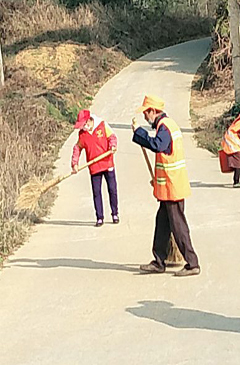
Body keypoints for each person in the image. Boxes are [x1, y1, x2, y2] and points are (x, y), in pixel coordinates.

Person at [131, 94, 201, 277]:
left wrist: (139, 132)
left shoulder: (165, 128)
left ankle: (192, 263)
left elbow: (158, 145)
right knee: (162, 224)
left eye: (146, 114)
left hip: (173, 187)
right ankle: (159, 261)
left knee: (178, 226)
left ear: (153, 111)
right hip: (168, 187)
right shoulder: (167, 125)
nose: (146, 118)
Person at [71, 109, 119, 227]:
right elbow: (77, 148)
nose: (82, 128)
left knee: (112, 189)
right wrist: (75, 163)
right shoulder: (82, 135)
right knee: (96, 192)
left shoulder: (102, 125)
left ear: (88, 121)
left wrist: (112, 146)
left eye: (83, 125)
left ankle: (115, 213)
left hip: (107, 163)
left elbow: (112, 137)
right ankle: (99, 217)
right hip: (94, 167)